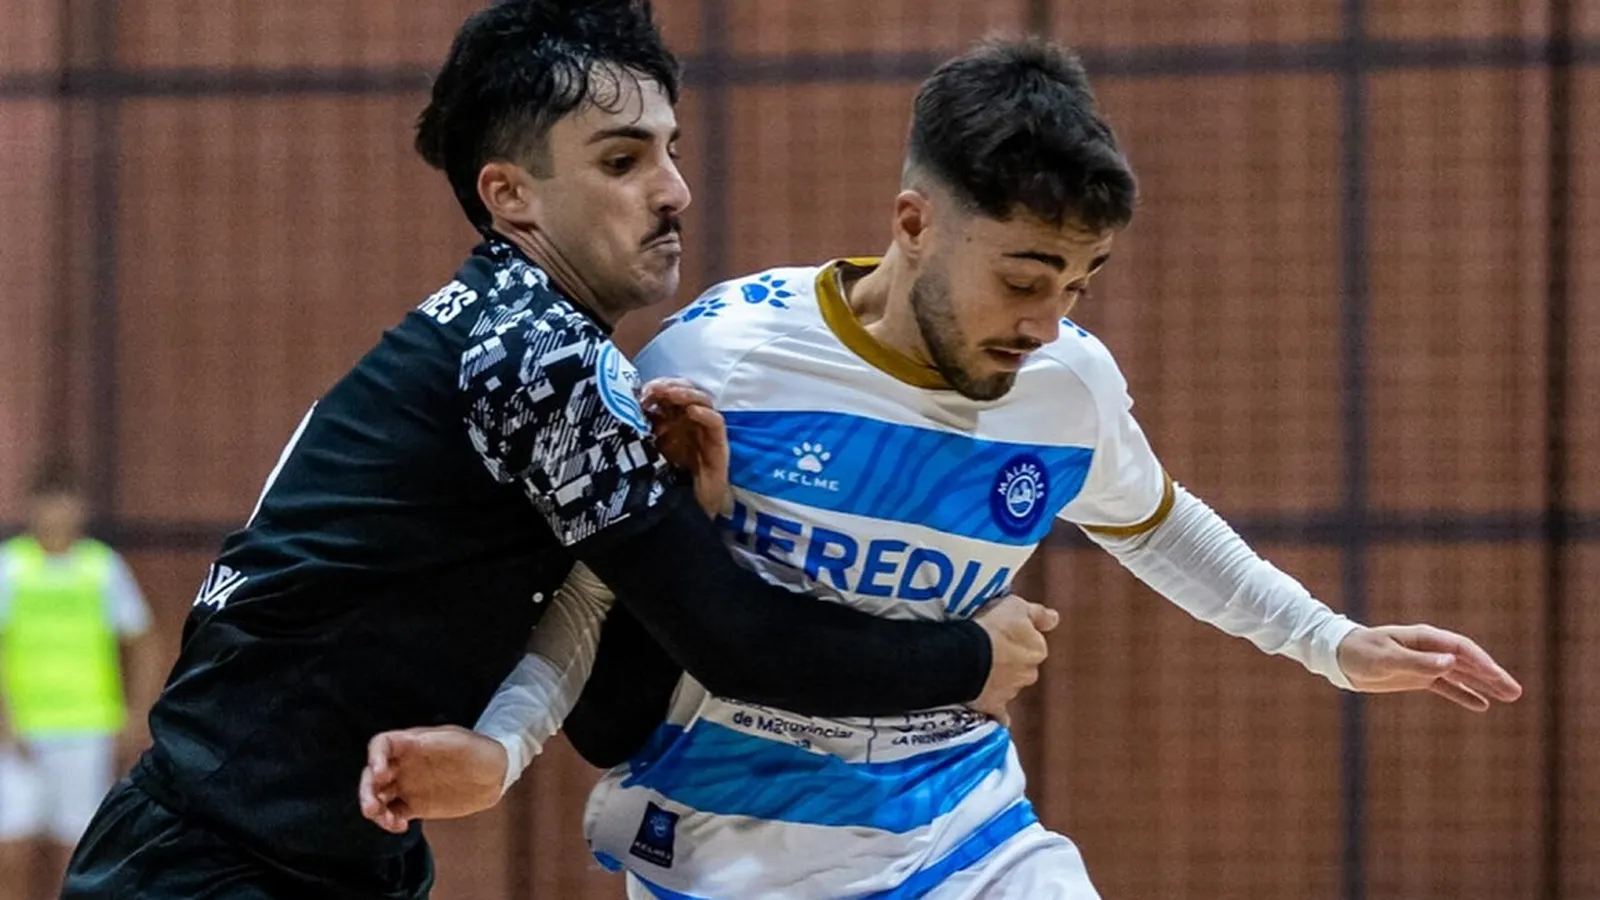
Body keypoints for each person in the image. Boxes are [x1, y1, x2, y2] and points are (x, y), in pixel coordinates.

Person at [361, 36, 1525, 899]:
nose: (1046, 321)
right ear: (913, 222)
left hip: (970, 836)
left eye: (1079, 283)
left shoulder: (1068, 383)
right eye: (1021, 278)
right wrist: (503, 746)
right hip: (729, 850)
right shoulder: (719, 360)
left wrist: (1331, 642)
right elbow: (591, 595)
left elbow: (1157, 521)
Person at [59, 4, 1054, 899]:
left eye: (670, 151)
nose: (674, 191)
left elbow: (612, 713)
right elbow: (741, 645)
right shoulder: (532, 353)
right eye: (623, 162)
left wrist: (681, 522)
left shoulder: (536, 346)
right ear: (510, 196)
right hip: (215, 863)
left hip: (325, 858)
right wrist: (966, 657)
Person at [0, 464, 155, 900]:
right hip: (21, 733)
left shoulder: (101, 567)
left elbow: (141, 639)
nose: (56, 513)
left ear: (80, 508)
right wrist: (5, 718)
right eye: (47, 503)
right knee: (12, 850)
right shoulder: (11, 566)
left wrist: (137, 713)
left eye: (64, 502)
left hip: (87, 727)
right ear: (31, 507)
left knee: (76, 852)